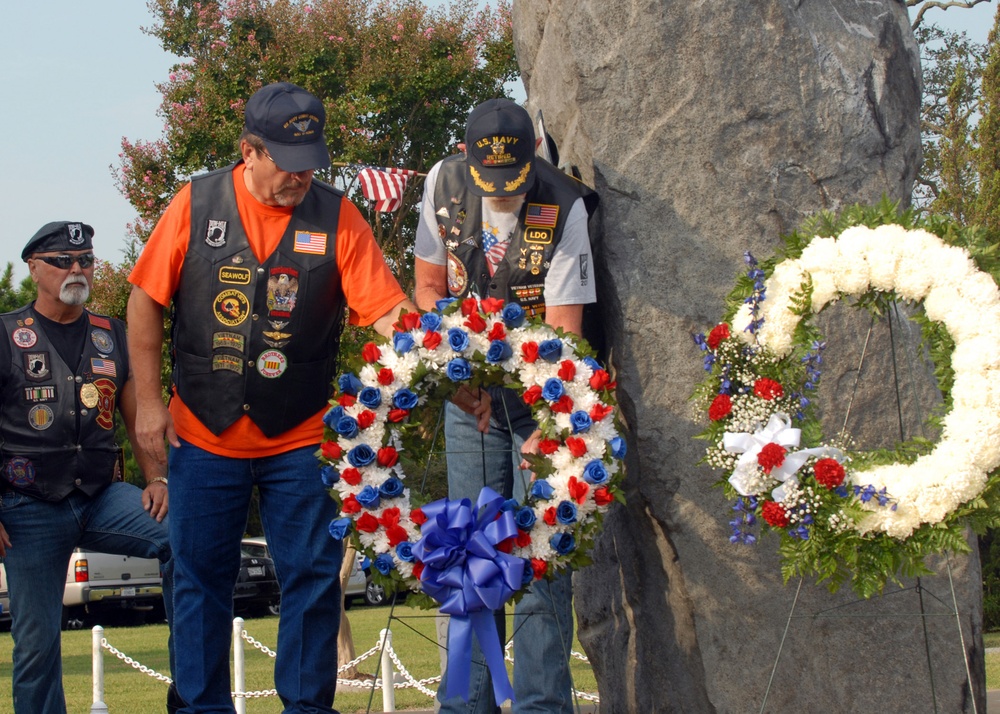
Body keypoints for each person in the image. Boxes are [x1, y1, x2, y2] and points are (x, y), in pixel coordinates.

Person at [126, 81, 487, 714]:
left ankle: (307, 708)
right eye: (288, 165)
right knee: (197, 582)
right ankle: (200, 706)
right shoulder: (194, 202)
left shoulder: (338, 215)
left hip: (300, 435)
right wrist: (151, 404)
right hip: (202, 436)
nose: (301, 177)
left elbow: (388, 311)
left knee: (313, 580)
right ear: (250, 151)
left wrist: (451, 375)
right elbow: (144, 301)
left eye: (311, 163)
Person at [414, 98, 599, 714]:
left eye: (514, 181)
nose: (503, 193)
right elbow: (428, 288)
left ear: (533, 156)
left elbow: (563, 331)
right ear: (466, 158)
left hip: (544, 391)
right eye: (491, 182)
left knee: (541, 555)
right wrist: (458, 378)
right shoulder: (440, 184)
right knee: (468, 548)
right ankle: (465, 705)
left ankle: (543, 704)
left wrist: (546, 426)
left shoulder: (566, 204)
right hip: (467, 392)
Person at [0, 221, 174, 714]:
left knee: (184, 537)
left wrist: (157, 477)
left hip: (102, 496)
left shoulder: (110, 333)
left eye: (85, 261)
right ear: (34, 268)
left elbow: (139, 414)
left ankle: (190, 692)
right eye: (62, 261)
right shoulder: (7, 334)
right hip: (27, 505)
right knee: (36, 646)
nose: (76, 269)